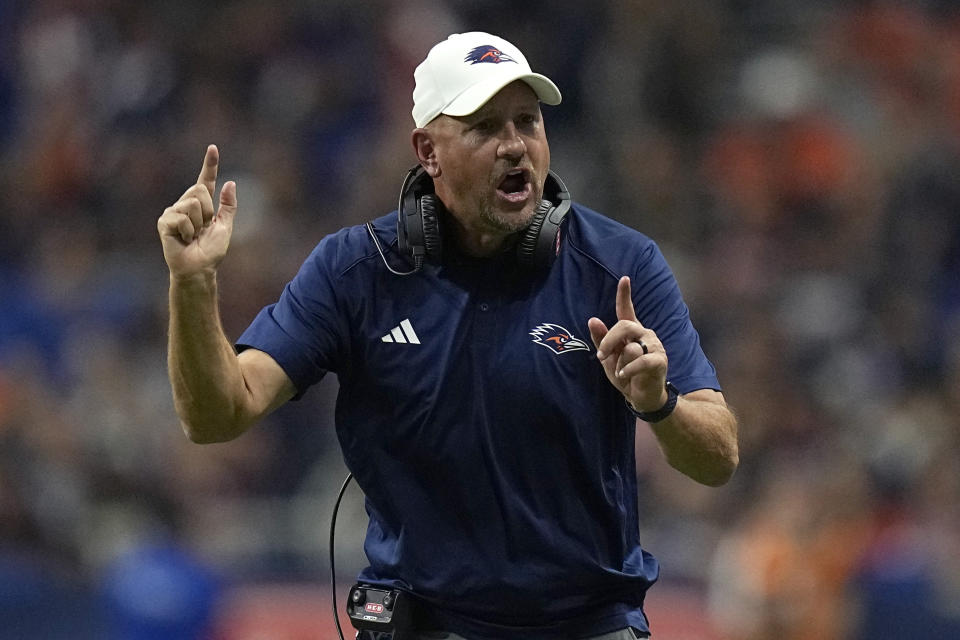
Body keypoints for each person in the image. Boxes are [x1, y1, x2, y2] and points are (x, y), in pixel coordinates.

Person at [157, 31, 738, 640]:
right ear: (428, 151)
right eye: (485, 127)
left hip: (586, 625)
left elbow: (719, 456)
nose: (515, 146)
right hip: (423, 625)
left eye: (528, 122)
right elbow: (217, 417)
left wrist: (659, 403)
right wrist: (192, 284)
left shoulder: (621, 265)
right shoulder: (355, 271)